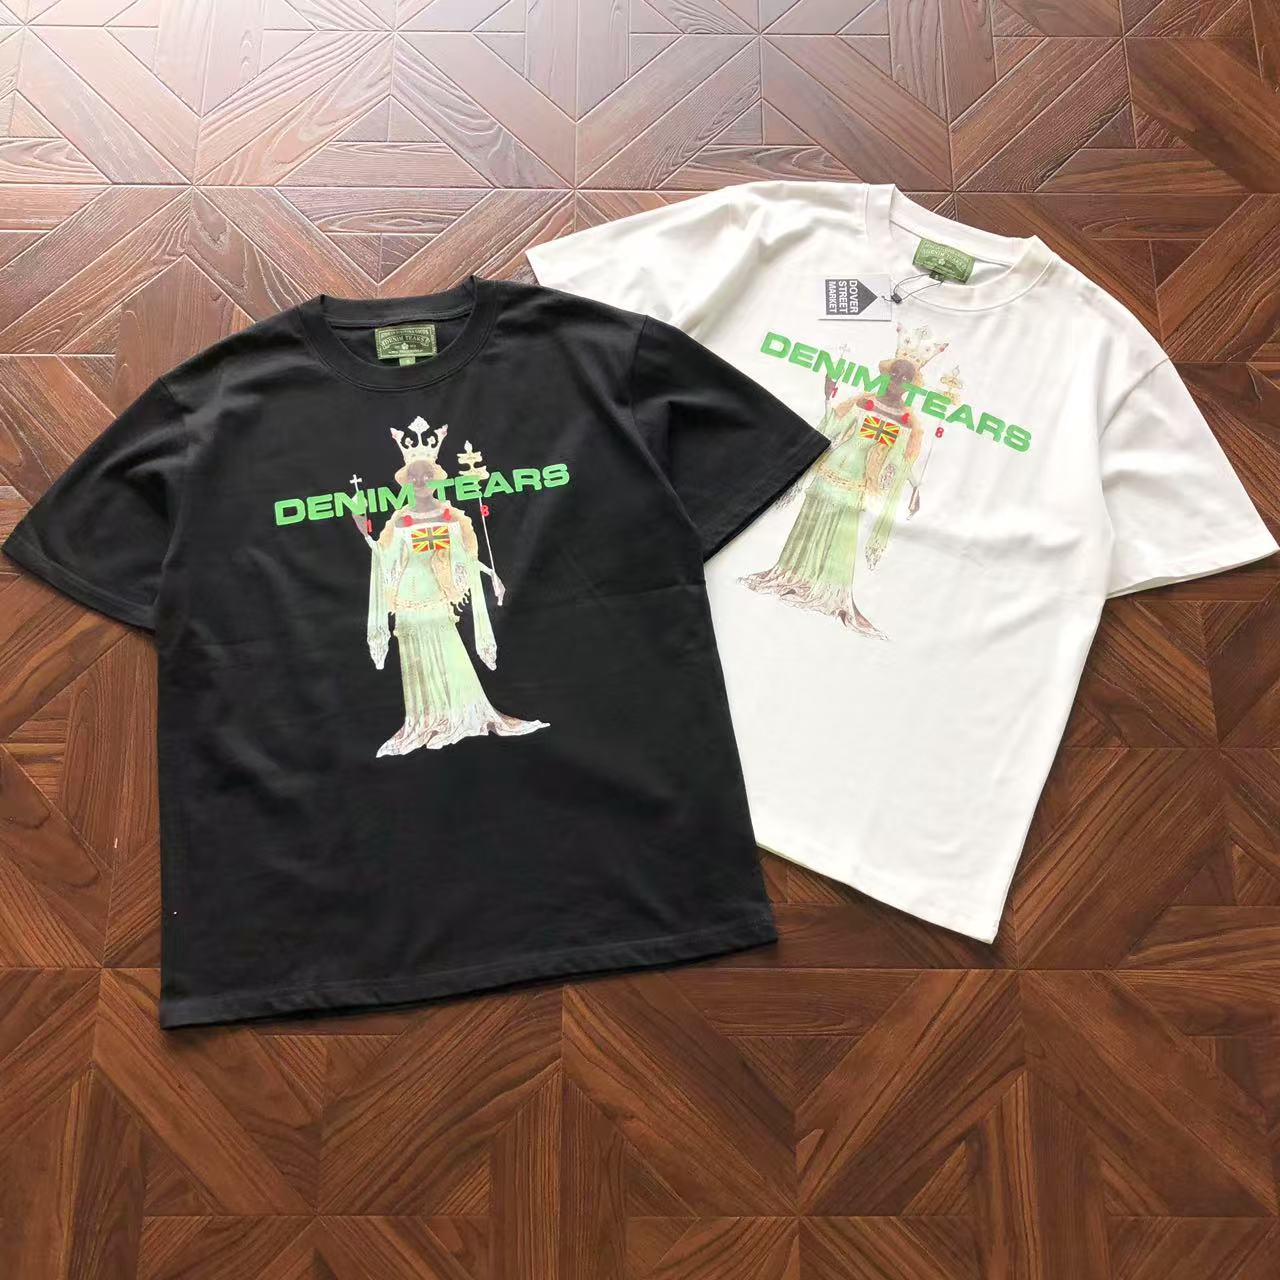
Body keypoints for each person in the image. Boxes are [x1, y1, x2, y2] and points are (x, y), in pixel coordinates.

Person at [362, 419, 548, 756]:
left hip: (436, 597)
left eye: (426, 474)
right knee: (417, 662)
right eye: (415, 476)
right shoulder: (400, 520)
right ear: (408, 480)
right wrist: (366, 534)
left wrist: (490, 574)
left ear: (434, 478)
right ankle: (427, 718)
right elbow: (385, 558)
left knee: (450, 653)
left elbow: (465, 556)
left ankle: (460, 713)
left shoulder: (451, 517)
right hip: (408, 602)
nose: (420, 480)